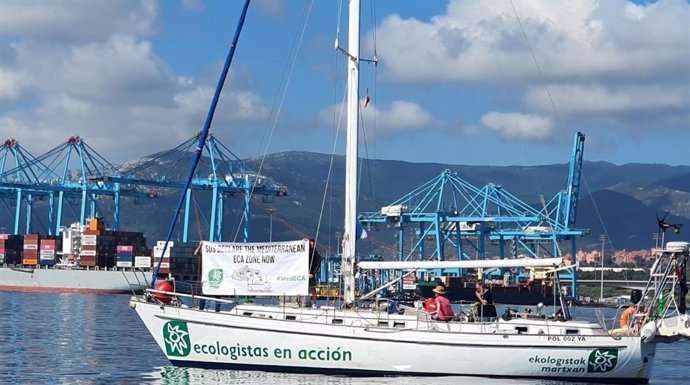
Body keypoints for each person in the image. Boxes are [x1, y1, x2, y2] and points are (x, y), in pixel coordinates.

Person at [306, 238, 322, 307]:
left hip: (311, 274)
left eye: (313, 245)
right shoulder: (305, 253)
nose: (312, 247)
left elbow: (317, 265)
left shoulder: (317, 255)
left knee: (313, 288)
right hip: (304, 272)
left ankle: (314, 303)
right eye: (311, 245)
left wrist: (312, 273)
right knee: (302, 287)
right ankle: (304, 301)